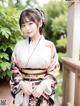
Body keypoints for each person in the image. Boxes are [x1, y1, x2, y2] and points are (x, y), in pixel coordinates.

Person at [10, 8, 60, 106]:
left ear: (40, 23)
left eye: (30, 24)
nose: (27, 28)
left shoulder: (49, 46)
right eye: (23, 25)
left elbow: (54, 69)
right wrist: (21, 84)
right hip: (24, 91)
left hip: (42, 91)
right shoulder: (19, 45)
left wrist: (43, 85)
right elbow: (14, 69)